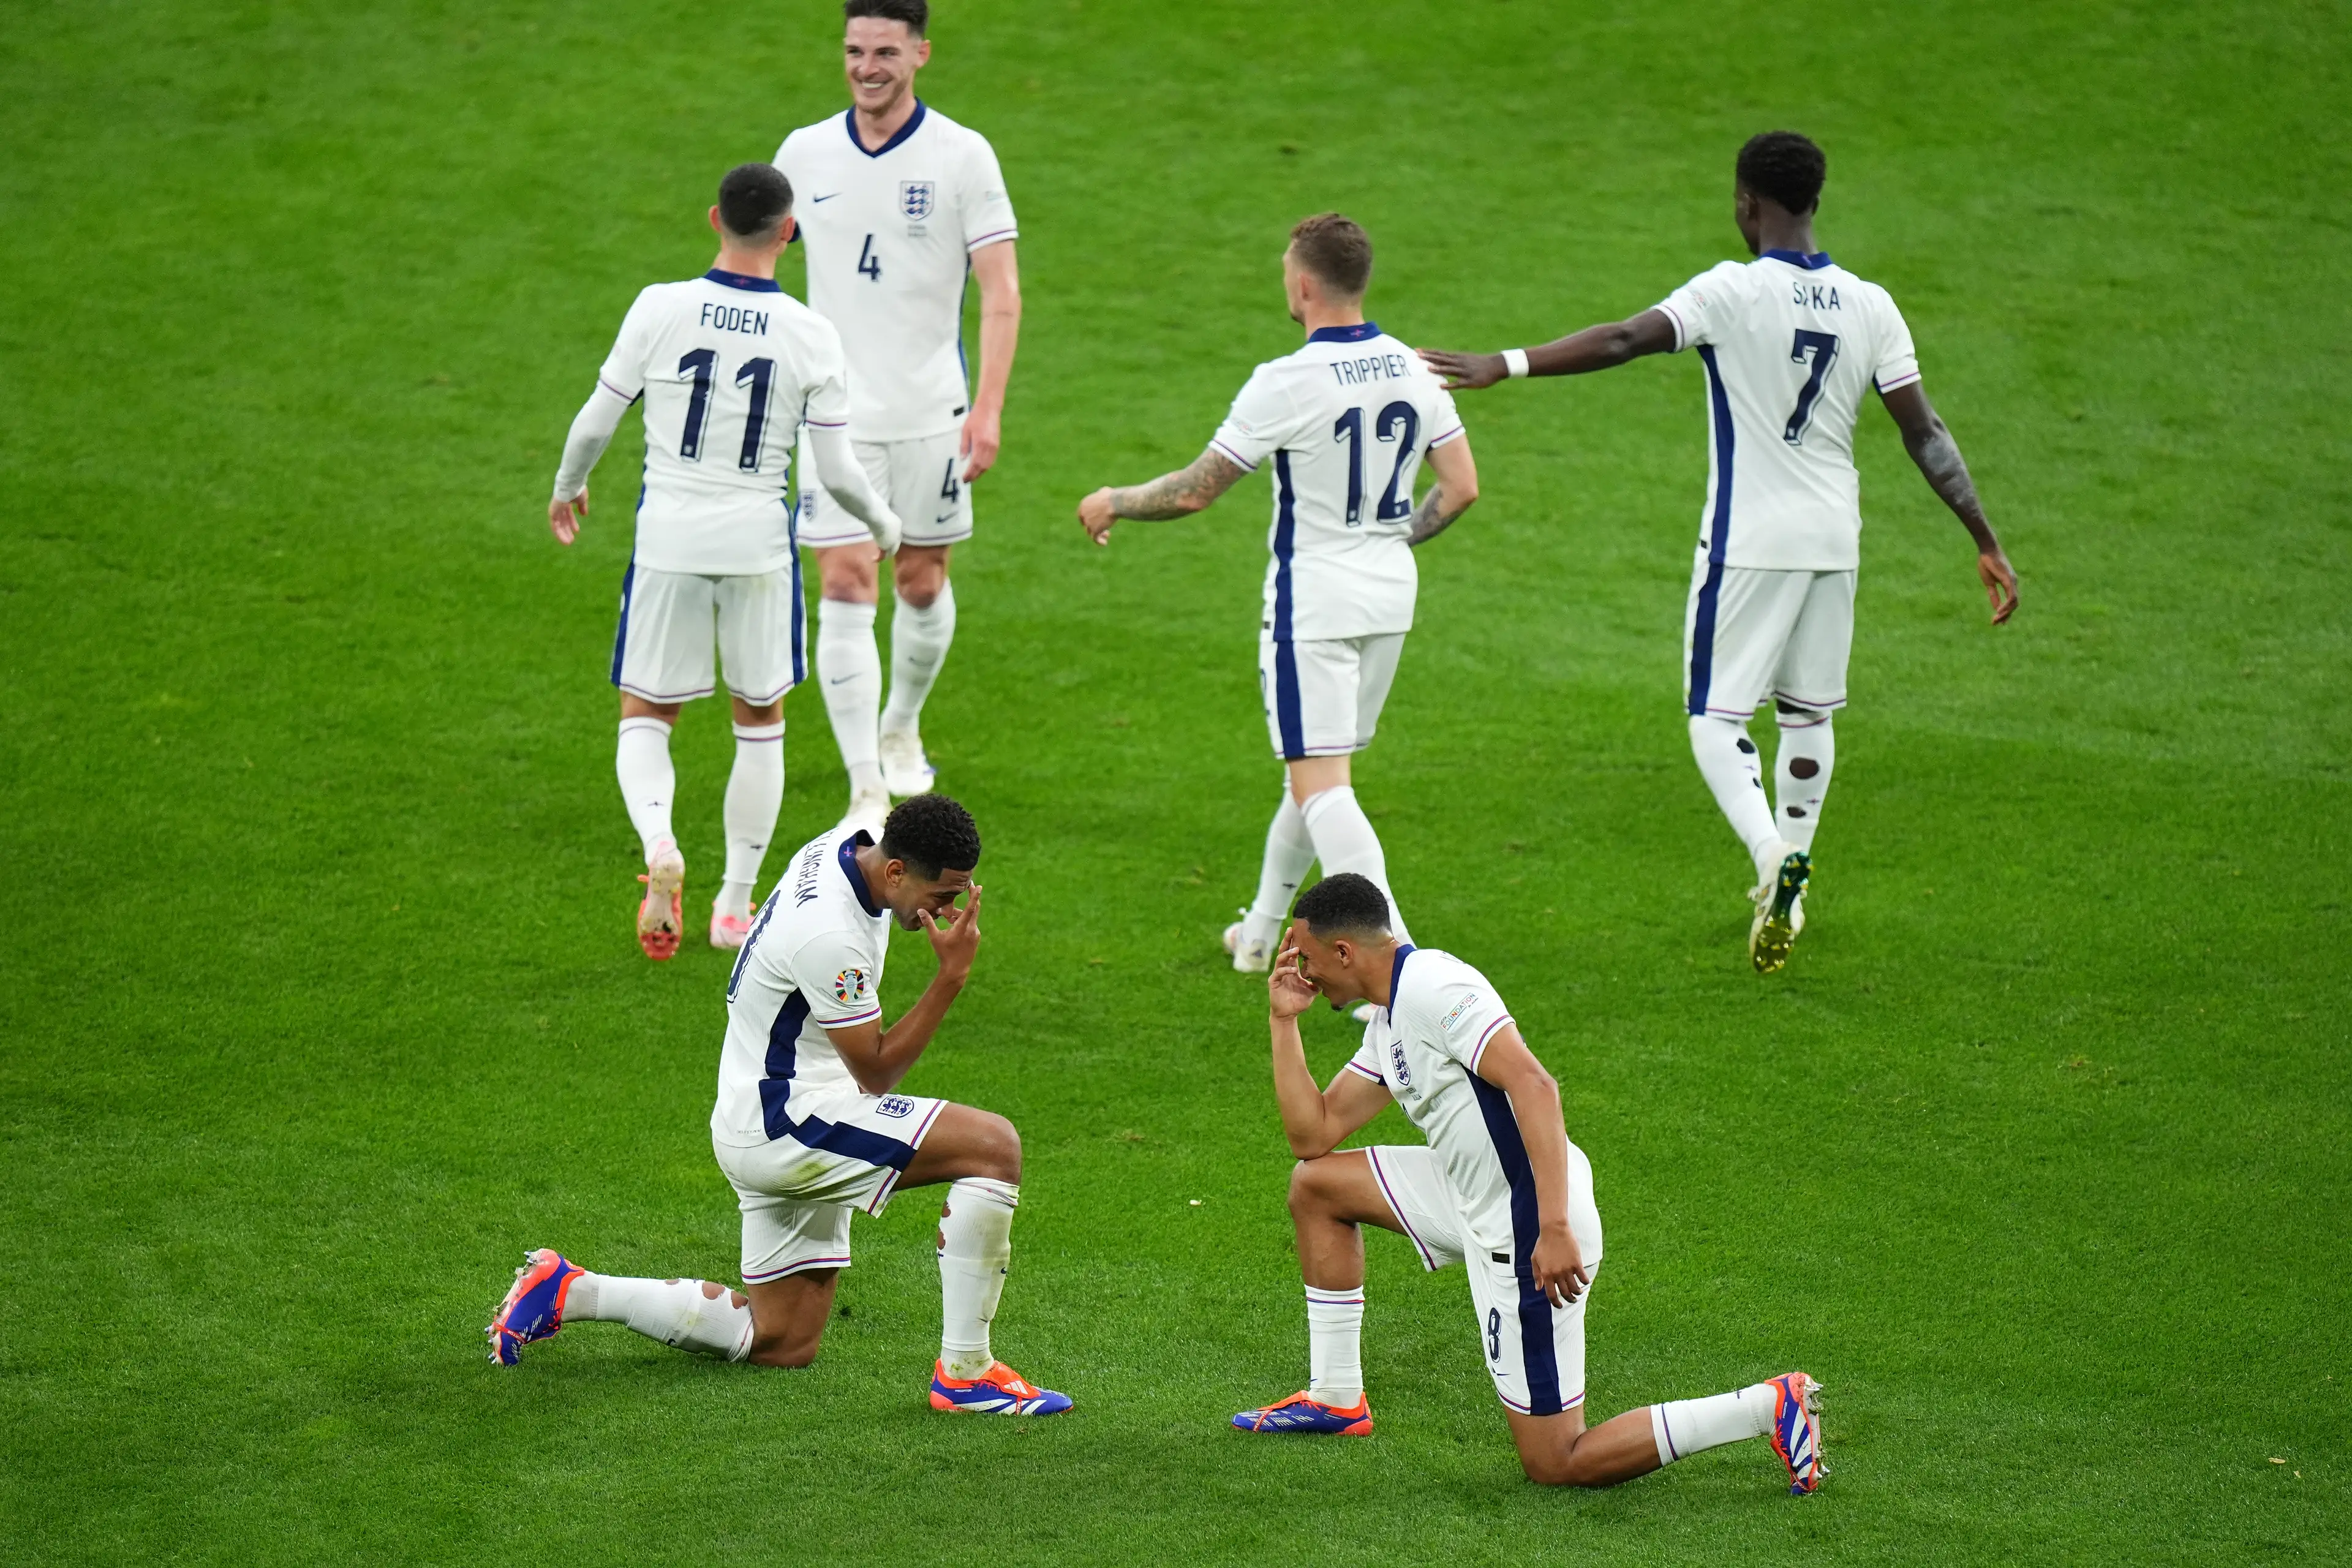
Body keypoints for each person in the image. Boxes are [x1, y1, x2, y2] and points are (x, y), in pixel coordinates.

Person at [1421, 130, 2019, 973]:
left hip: (1750, 538)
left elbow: (1627, 339)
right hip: (1834, 539)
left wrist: (1504, 364)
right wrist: (1985, 540)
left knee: (1717, 717)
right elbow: (1927, 434)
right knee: (1809, 714)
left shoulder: (1732, 291)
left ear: (1747, 202)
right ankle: (1795, 894)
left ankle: (1774, 857)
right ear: (1814, 200)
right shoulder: (1871, 304)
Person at [1232, 873, 1823, 1494]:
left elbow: (1535, 1084)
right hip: (1469, 1195)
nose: (1302, 969)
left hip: (1526, 1226)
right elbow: (1313, 1133)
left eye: (1306, 954)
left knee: (1557, 1460)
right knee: (1317, 1185)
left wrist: (1554, 1224)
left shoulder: (1437, 988)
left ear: (1345, 951)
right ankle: (1336, 1397)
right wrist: (1283, 1021)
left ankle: (1768, 1406)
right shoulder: (1389, 1019)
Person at [487, 793, 1071, 1417]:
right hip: (787, 1121)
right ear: (896, 871)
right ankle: (967, 1373)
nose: (949, 910)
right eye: (941, 895)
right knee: (994, 1148)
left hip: (757, 1104)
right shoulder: (829, 935)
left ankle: (571, 1290)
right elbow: (876, 1071)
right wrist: (950, 977)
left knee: (780, 1339)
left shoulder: (848, 843)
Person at [1078, 213, 1479, 995]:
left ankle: (1395, 970)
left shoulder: (1287, 380)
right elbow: (1461, 486)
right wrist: (1389, 542)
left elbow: (1197, 490)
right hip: (1390, 594)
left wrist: (1115, 500)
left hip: (1314, 605)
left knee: (1325, 786)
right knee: (1315, 770)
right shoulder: (1415, 367)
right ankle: (1259, 935)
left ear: (1303, 283)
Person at [546, 164, 903, 957]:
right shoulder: (811, 334)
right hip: (755, 546)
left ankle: (660, 849)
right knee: (760, 722)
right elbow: (840, 473)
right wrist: (884, 522)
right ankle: (735, 907)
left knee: (647, 711)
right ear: (789, 231)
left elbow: (597, 420)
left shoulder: (659, 308)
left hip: (669, 538)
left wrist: (568, 488)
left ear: (716, 220)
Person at [776, 0, 1022, 832]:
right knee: (846, 580)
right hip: (833, 416)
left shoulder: (963, 156)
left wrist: (986, 409)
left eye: (885, 50)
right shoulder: (805, 153)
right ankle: (863, 787)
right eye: (854, 50)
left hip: (931, 414)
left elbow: (1001, 294)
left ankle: (900, 723)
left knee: (922, 581)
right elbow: (762, 264)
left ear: (921, 54)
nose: (866, 67)